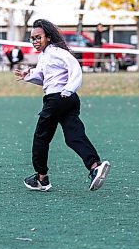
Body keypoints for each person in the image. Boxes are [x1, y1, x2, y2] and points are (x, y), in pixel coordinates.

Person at [14, 19, 110, 192]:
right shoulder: (45, 55)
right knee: (74, 136)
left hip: (58, 99)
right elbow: (44, 77)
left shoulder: (57, 52)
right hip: (67, 100)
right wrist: (28, 75)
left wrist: (68, 89)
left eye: (38, 37)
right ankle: (95, 166)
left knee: (41, 137)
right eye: (32, 39)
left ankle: (41, 178)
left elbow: (75, 68)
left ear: (48, 37)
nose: (35, 41)